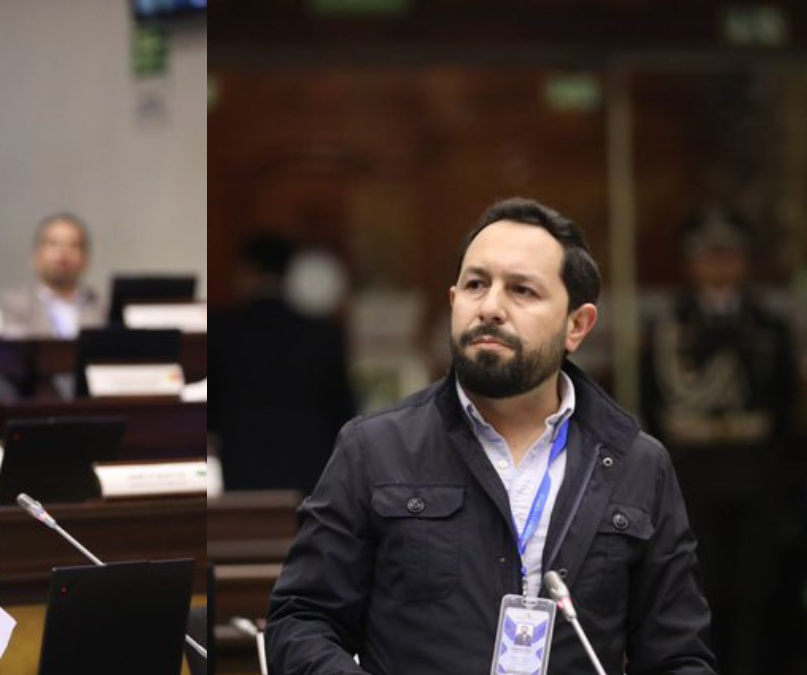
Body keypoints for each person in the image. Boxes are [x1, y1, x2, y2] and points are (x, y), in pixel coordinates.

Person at [266, 197, 716, 674]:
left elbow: (678, 656)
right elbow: (302, 622)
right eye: (476, 284)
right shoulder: (376, 448)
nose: (491, 307)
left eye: (522, 290)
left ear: (577, 326)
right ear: (453, 301)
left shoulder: (635, 464)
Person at [639, 209, 798, 675]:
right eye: (709, 258)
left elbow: (784, 407)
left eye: (728, 256)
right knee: (702, 582)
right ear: (693, 264)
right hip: (696, 468)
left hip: (754, 467)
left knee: (757, 586)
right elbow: (655, 401)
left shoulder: (767, 324)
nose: (719, 268)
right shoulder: (670, 325)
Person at [209, 233, 354, 495]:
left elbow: (211, 406)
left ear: (246, 271)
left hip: (242, 468)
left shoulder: (222, 331)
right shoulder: (322, 334)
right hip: (309, 469)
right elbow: (342, 412)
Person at [0, 212, 104, 338]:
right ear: (35, 256)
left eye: (73, 245)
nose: (63, 252)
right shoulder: (14, 305)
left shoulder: (103, 308)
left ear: (86, 259)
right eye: (53, 244)